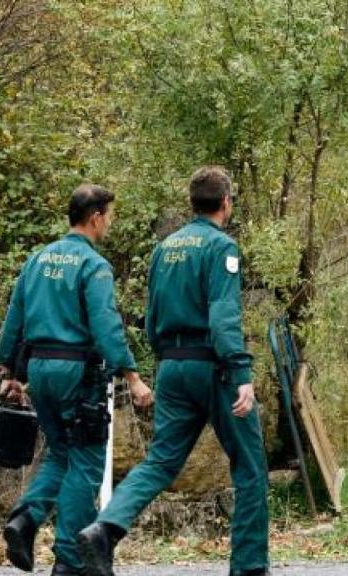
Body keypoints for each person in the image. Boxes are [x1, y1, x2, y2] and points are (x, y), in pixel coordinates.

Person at [76, 166, 269, 576]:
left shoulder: (164, 250)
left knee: (161, 461)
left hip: (172, 367)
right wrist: (240, 373)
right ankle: (250, 567)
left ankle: (105, 528)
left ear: (192, 203)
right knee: (250, 466)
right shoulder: (222, 248)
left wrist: (169, 360)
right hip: (213, 369)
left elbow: (151, 317)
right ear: (226, 203)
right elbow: (223, 318)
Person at [0, 184, 152, 576]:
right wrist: (132, 375)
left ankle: (24, 520)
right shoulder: (93, 266)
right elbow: (106, 324)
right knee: (85, 462)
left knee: (61, 453)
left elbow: (15, 318)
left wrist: (10, 373)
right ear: (96, 216)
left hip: (39, 372)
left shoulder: (37, 259)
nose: (110, 224)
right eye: (110, 216)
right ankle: (69, 559)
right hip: (77, 374)